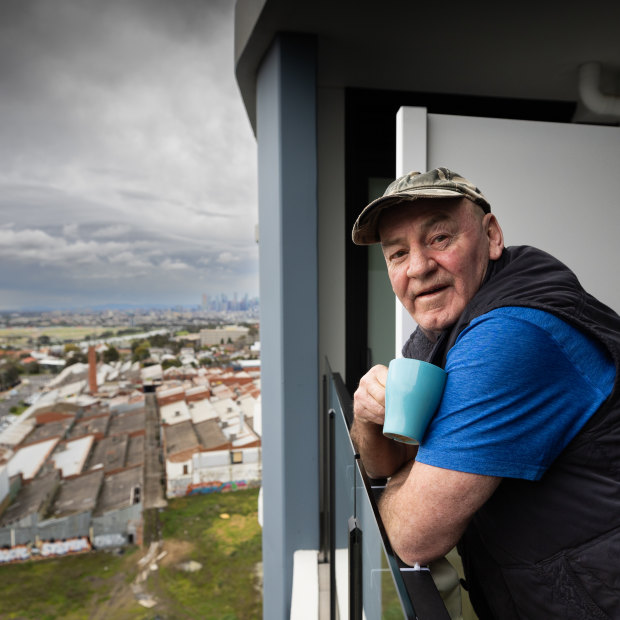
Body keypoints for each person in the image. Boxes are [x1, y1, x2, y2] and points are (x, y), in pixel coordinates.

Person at [350, 167, 620, 619]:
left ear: (491, 236)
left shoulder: (509, 335)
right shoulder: (440, 328)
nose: (418, 267)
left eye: (439, 238)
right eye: (397, 254)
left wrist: (403, 484)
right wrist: (364, 418)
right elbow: (390, 461)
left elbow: (414, 536)